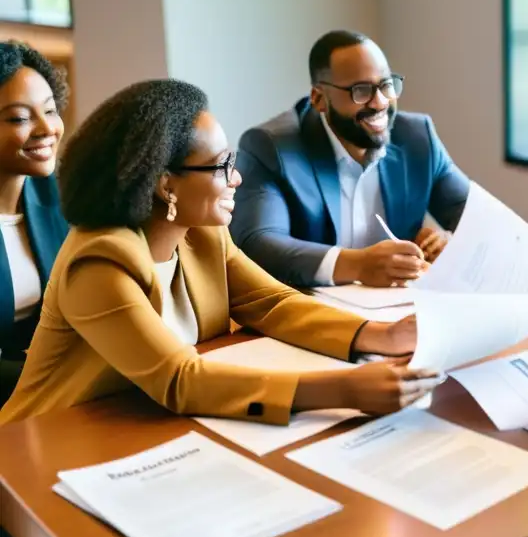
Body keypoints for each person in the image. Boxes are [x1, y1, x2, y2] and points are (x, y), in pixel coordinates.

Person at [0, 79, 438, 426]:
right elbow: (179, 380)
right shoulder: (97, 263)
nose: (237, 179)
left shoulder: (201, 233)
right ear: (165, 184)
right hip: (47, 446)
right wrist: (345, 390)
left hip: (135, 424)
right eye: (222, 166)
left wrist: (380, 335)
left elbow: (273, 303)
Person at [231, 30, 470, 288]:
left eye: (386, 85)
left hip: (399, 308)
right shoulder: (272, 147)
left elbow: (477, 217)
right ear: (319, 99)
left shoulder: (417, 138)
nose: (379, 102)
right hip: (310, 310)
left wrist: (453, 244)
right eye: (361, 90)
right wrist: (357, 265)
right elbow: (258, 243)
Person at [0, 41, 69, 407]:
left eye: (50, 111)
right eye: (19, 118)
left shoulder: (62, 194)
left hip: (50, 397)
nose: (47, 129)